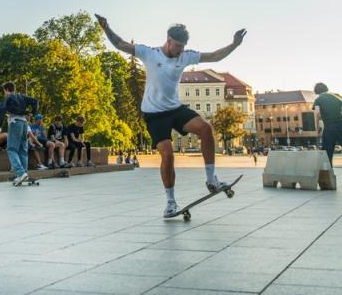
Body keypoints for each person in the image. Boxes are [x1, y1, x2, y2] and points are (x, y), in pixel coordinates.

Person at [96, 15, 245, 217]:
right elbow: (120, 44)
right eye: (177, 47)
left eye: (183, 47)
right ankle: (170, 202)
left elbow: (214, 56)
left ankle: (211, 180)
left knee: (206, 129)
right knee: (167, 154)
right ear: (168, 40)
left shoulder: (185, 56)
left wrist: (234, 44)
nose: (180, 51)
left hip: (175, 109)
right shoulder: (149, 53)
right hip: (154, 114)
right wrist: (106, 28)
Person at [0, 82, 39, 186]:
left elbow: (1, 109)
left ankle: (21, 173)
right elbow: (35, 101)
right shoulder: (22, 96)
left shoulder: (9, 97)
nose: (4, 93)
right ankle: (23, 174)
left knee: (11, 149)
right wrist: (33, 112)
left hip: (15, 123)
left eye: (4, 91)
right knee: (22, 150)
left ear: (6, 89)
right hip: (24, 123)